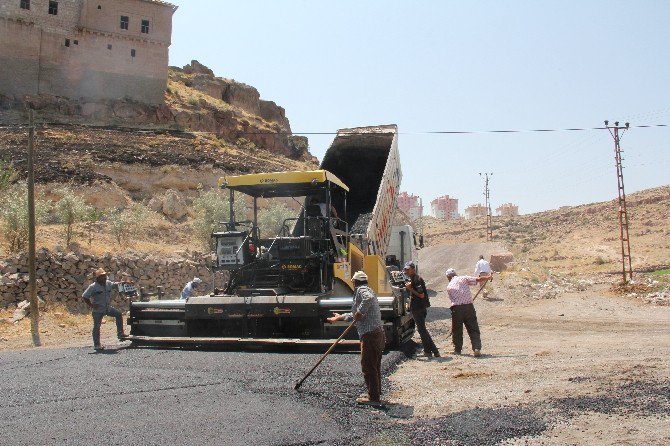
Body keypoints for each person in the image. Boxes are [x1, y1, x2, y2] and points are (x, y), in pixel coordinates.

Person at [326, 271, 385, 407]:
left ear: (354, 282)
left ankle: (374, 398)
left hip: (370, 335)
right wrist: (339, 317)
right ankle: (374, 393)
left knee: (368, 366)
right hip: (376, 334)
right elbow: (355, 314)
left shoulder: (361, 290)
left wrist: (360, 312)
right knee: (374, 366)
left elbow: (367, 300)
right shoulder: (367, 289)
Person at [445, 268, 492, 357]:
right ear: (455, 274)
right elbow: (477, 280)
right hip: (468, 307)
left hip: (457, 309)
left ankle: (457, 350)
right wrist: (488, 277)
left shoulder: (449, 286)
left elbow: (453, 299)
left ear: (448, 277)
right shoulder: (463, 278)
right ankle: (476, 348)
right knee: (473, 328)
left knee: (457, 330)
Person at [82, 268, 128, 352]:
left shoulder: (108, 283)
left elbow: (115, 285)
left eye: (105, 276)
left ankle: (120, 334)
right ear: (98, 278)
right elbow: (85, 296)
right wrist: (91, 305)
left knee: (118, 314)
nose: (104, 277)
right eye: (102, 276)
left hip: (107, 308)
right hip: (98, 310)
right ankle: (97, 345)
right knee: (97, 326)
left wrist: (124, 283)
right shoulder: (93, 286)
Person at [403, 261, 440, 358]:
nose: (406, 271)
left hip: (418, 308)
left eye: (408, 269)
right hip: (418, 307)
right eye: (405, 269)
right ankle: (432, 351)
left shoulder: (417, 279)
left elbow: (421, 294)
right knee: (422, 330)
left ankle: (431, 351)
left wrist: (409, 289)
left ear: (413, 269)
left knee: (422, 330)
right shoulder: (413, 278)